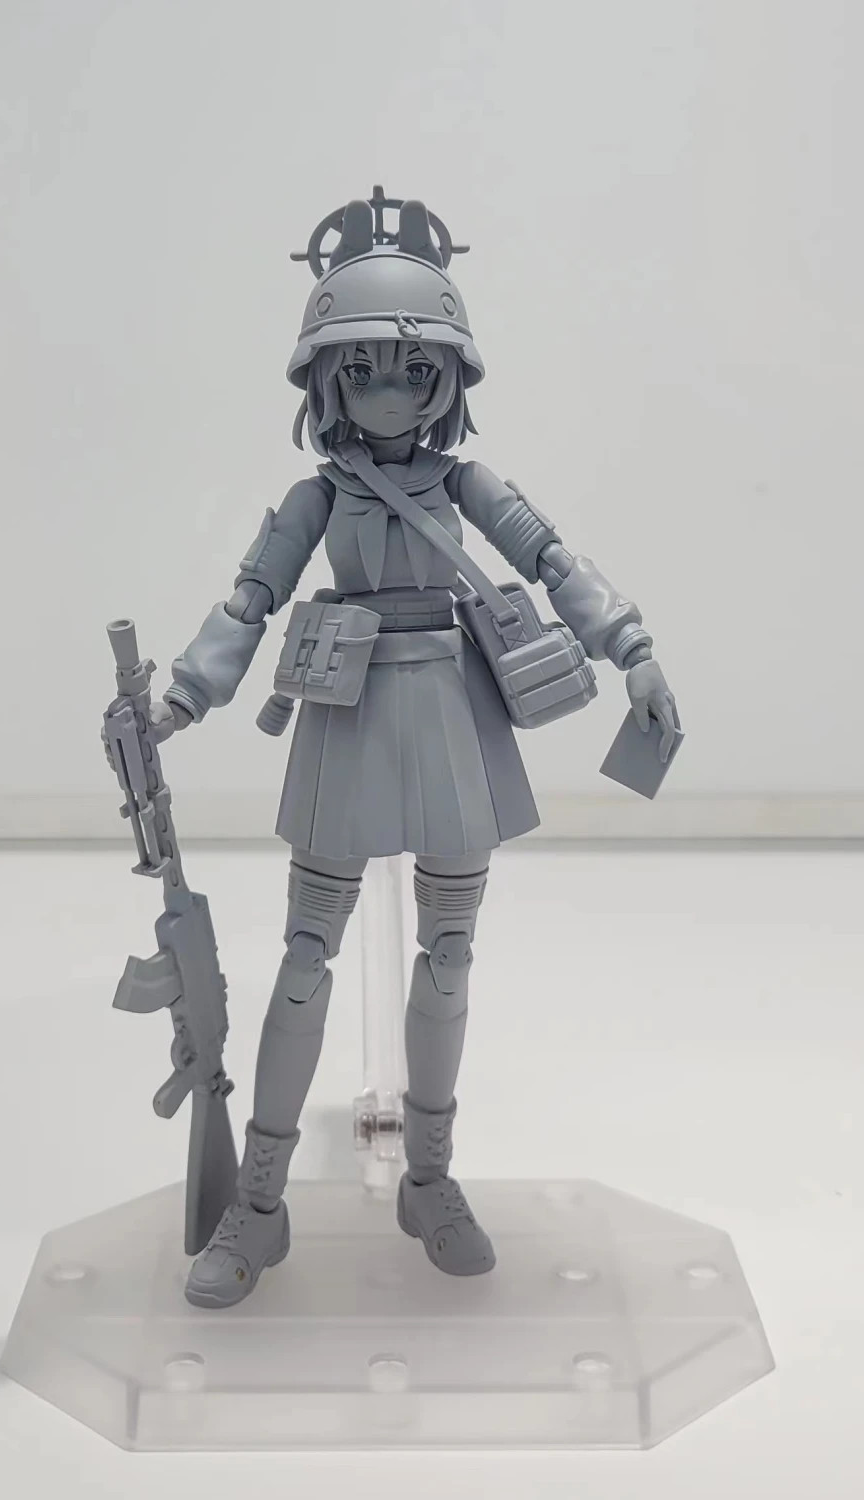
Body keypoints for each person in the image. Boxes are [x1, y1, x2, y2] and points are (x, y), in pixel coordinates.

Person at [138, 193, 680, 1307]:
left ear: (449, 378)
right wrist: (182, 695)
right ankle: (260, 1200)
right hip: (345, 714)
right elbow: (248, 602)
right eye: (365, 370)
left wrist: (632, 648)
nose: (390, 392)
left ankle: (428, 1179)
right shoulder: (315, 496)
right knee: (305, 960)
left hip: (454, 720)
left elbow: (556, 561)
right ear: (326, 381)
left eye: (413, 369)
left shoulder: (468, 483)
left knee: (449, 956)